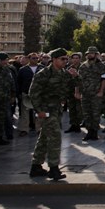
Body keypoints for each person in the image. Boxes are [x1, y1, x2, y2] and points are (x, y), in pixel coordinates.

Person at [29, 48, 78, 181]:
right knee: (55, 136)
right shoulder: (43, 74)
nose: (65, 61)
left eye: (66, 59)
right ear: (54, 59)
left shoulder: (64, 73)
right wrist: (39, 111)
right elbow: (33, 93)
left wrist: (75, 77)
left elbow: (72, 87)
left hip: (56, 109)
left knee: (45, 137)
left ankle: (36, 166)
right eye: (62, 59)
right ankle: (54, 168)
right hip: (46, 109)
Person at [78, 46, 105, 141]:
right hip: (85, 93)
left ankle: (94, 132)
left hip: (96, 94)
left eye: (92, 53)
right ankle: (89, 132)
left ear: (96, 55)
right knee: (86, 113)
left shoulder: (101, 66)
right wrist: (77, 92)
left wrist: (101, 91)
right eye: (88, 53)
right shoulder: (83, 66)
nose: (89, 55)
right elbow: (78, 80)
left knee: (95, 113)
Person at [16, 52, 44, 137]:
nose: (35, 59)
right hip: (26, 93)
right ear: (29, 59)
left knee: (39, 112)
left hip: (39, 93)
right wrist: (19, 94)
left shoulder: (42, 68)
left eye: (36, 58)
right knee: (25, 112)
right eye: (33, 58)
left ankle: (39, 129)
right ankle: (24, 129)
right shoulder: (23, 69)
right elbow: (18, 82)